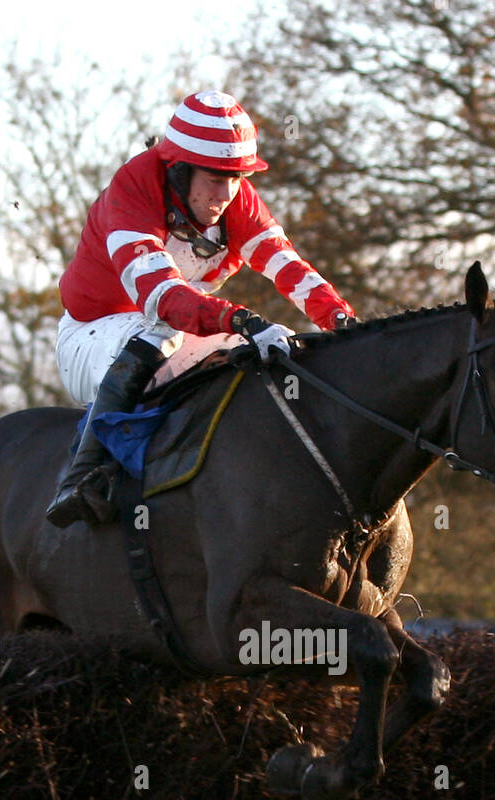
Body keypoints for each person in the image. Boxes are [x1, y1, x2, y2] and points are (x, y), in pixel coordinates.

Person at [48, 89, 356, 527]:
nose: (227, 193)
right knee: (162, 334)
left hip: (179, 328)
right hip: (94, 335)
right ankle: (82, 477)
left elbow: (289, 268)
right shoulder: (132, 191)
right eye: (215, 179)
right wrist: (242, 319)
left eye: (237, 178)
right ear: (178, 168)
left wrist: (343, 322)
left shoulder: (236, 197)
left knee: (277, 349)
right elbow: (162, 297)